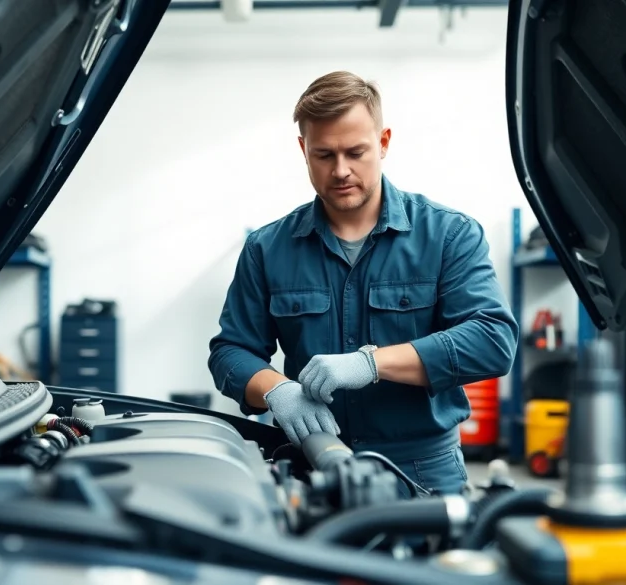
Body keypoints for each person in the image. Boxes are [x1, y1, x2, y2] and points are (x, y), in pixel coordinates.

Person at [207, 71, 519, 497]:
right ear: (303, 149)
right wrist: (276, 389)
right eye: (323, 155)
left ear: (384, 142)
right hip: (311, 466)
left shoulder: (449, 235)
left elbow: (493, 341)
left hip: (422, 473)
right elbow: (230, 351)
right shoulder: (267, 249)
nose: (341, 171)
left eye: (356, 152)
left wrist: (372, 364)